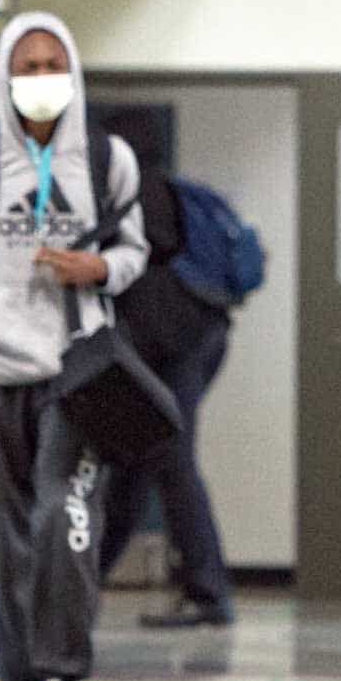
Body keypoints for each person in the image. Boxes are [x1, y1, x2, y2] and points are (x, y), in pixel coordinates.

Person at [0, 12, 148, 681]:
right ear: (4, 77)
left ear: (75, 70)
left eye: (55, 62)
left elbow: (136, 249)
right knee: (9, 544)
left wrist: (101, 269)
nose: (41, 78)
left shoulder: (108, 159)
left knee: (65, 522)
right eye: (27, 66)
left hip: (77, 376)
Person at [96, 134, 237, 629]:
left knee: (169, 460)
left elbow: (135, 289)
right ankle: (83, 586)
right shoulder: (160, 192)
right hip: (192, 340)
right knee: (135, 465)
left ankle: (208, 593)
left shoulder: (130, 200)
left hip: (173, 347)